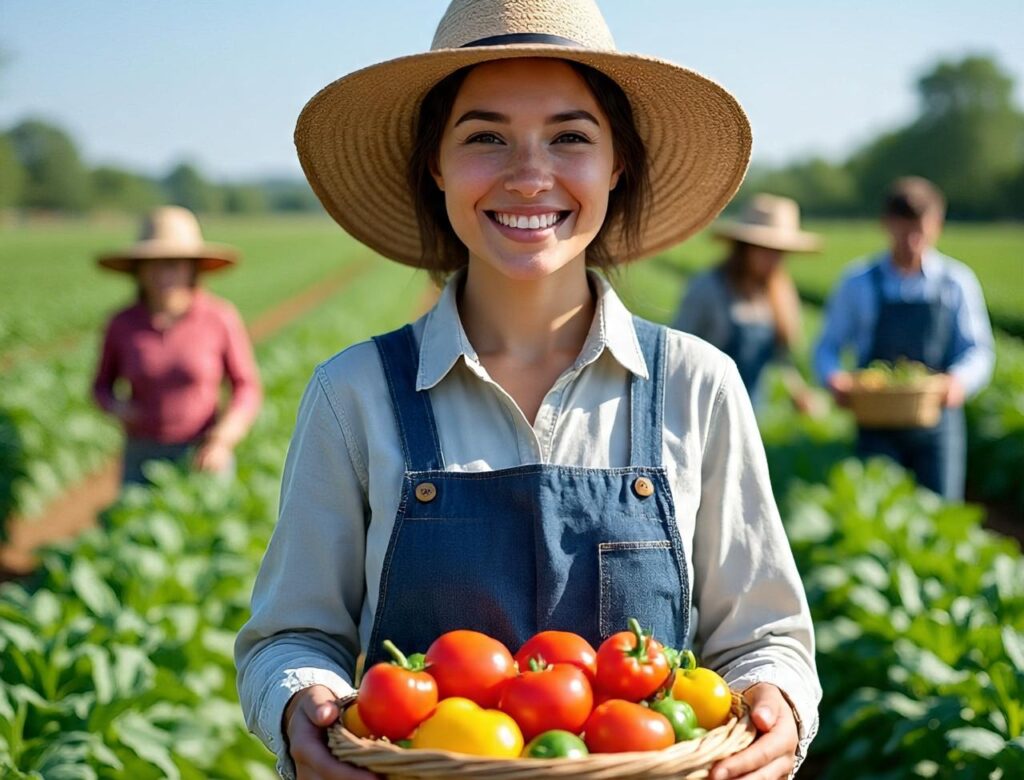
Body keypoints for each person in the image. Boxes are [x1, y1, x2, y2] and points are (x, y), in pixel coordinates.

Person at [235, 2, 820, 779]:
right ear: (435, 165)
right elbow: (291, 635)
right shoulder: (355, 393)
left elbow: (764, 637)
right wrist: (297, 701)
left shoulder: (696, 385)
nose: (529, 173)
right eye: (485, 137)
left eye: (571, 137)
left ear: (618, 164)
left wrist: (774, 698)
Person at [814, 177, 994, 500]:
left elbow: (977, 350)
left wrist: (959, 382)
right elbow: (828, 346)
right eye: (903, 231)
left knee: (942, 514)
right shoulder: (858, 282)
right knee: (877, 513)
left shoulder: (956, 282)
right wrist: (833, 378)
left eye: (920, 232)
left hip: (937, 421)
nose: (911, 242)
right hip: (876, 421)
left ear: (937, 225)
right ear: (886, 224)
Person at [92, 206, 262, 485]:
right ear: (139, 270)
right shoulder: (121, 323)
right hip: (141, 455)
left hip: (203, 453)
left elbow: (247, 386)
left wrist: (223, 439)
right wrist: (116, 407)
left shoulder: (219, 317)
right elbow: (100, 387)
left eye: (173, 263)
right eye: (153, 264)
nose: (163, 273)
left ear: (192, 268)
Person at [672, 194, 821, 410]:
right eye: (765, 249)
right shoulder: (707, 289)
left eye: (779, 252)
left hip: (750, 413)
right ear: (744, 247)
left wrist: (798, 391)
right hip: (702, 409)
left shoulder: (778, 294)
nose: (773, 259)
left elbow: (781, 357)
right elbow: (677, 352)